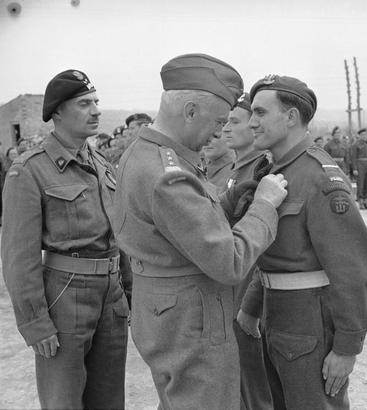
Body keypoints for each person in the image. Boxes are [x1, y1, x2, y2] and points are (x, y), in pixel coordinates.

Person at [113, 54, 288, 410]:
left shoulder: (145, 153)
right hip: (192, 321)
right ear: (190, 111)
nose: (219, 132)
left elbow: (179, 228)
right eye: (219, 121)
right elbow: (230, 262)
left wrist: (232, 198)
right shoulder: (168, 174)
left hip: (164, 311)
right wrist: (265, 205)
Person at [236, 74, 367, 409]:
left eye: (260, 113)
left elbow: (354, 270)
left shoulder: (319, 177)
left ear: (290, 117)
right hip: (278, 317)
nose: (252, 122)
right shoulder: (274, 169)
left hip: (309, 324)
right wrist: (252, 308)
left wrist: (347, 347)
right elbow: (271, 256)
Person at [1, 69, 131, 410]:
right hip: (64, 295)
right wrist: (35, 323)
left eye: (97, 102)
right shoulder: (30, 171)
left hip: (111, 295)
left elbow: (120, 236)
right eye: (85, 103)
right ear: (57, 111)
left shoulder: (103, 165)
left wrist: (129, 293)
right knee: (64, 401)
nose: (97, 110)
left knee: (109, 400)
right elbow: (19, 258)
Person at [222, 92, 273, 410]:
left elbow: (266, 246)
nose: (226, 128)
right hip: (228, 289)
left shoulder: (262, 174)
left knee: (254, 390)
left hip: (247, 296)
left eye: (234, 121)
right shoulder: (236, 172)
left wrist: (252, 305)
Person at [351, 128, 367, 209]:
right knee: (360, 184)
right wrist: (354, 169)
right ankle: (360, 202)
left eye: (365, 134)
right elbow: (353, 157)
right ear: (359, 135)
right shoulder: (355, 144)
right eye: (362, 135)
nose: (364, 136)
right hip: (360, 165)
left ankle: (366, 201)